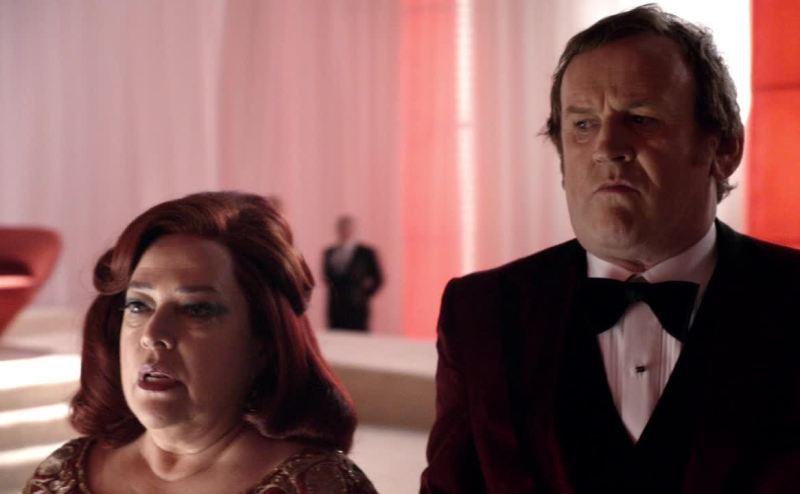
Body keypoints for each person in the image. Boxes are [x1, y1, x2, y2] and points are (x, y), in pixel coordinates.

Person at [421, 5, 800, 494]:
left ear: (724, 148)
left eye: (640, 118)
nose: (606, 146)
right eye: (583, 125)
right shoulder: (480, 313)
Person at [24, 192, 377, 493]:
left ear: (263, 342)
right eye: (139, 305)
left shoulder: (320, 486)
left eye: (197, 309)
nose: (153, 335)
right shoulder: (62, 474)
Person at [322, 215, 383, 331]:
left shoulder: (366, 253)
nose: (345, 231)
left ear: (353, 229)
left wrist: (363, 295)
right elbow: (326, 278)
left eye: (348, 228)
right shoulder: (329, 253)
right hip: (336, 308)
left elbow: (378, 279)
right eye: (342, 228)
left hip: (357, 308)